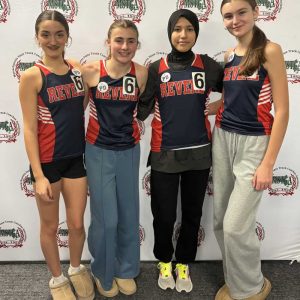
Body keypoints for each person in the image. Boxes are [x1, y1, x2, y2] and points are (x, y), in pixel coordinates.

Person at [137, 9, 223, 293]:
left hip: (199, 153)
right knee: (163, 214)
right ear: (170, 32)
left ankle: (183, 263)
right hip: (164, 152)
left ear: (196, 32)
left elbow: (236, 89)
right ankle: (164, 260)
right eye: (177, 29)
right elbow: (142, 108)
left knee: (192, 213)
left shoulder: (207, 65)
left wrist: (219, 105)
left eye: (189, 29)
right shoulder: (156, 68)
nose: (183, 35)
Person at [211, 1, 289, 299]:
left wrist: (268, 163)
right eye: (228, 16)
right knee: (220, 220)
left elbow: (281, 110)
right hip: (223, 138)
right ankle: (238, 281)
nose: (235, 20)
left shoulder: (270, 50)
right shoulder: (230, 56)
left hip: (255, 143)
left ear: (256, 12)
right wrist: (204, 107)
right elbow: (232, 99)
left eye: (241, 12)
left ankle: (253, 287)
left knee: (235, 226)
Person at [19, 10, 94, 300]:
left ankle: (76, 269)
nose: (53, 40)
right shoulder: (32, 76)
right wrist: (38, 175)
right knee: (50, 226)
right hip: (47, 163)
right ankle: (57, 279)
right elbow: (27, 128)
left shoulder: (77, 68)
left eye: (59, 34)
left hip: (76, 157)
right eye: (46, 34)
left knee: (76, 224)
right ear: (37, 38)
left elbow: (84, 102)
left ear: (67, 36)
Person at [82, 20, 148, 298]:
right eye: (119, 40)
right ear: (108, 43)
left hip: (130, 150)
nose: (124, 46)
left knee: (128, 214)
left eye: (131, 41)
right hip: (98, 150)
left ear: (137, 44)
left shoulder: (142, 73)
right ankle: (102, 271)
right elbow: (78, 111)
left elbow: (142, 110)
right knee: (106, 219)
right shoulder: (91, 71)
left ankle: (126, 269)